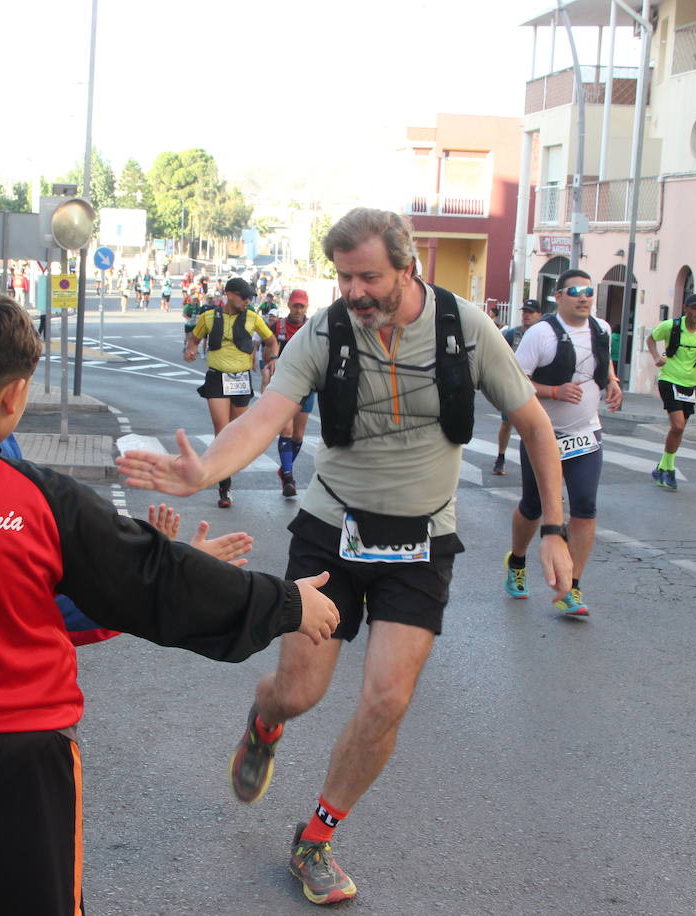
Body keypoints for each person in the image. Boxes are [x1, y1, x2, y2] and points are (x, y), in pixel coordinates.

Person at [0, 289, 339, 913]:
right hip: (28, 761)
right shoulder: (43, 499)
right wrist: (285, 603)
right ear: (15, 394)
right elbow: (152, 581)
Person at [119, 208, 570, 905]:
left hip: (422, 543)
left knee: (387, 700)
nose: (354, 291)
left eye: (369, 277)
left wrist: (556, 530)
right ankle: (265, 723)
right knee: (299, 692)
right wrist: (205, 470)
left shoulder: (463, 329)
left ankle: (318, 838)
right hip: (332, 532)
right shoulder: (324, 332)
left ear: (407, 264)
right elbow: (266, 415)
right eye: (343, 276)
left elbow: (536, 426)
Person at [504, 271, 623, 617]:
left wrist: (612, 381)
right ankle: (517, 561)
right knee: (533, 506)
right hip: (544, 435)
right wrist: (553, 391)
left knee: (585, 508)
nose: (584, 297)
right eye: (576, 291)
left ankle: (573, 587)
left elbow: (603, 358)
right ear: (559, 296)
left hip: (586, 433)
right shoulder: (541, 334)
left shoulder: (602, 328)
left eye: (589, 291)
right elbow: (515, 382)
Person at [184, 277, 276, 509]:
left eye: (250, 297)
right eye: (244, 296)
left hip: (241, 379)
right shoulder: (208, 317)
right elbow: (194, 339)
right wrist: (191, 349)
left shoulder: (253, 317)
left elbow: (272, 341)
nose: (248, 301)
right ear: (230, 294)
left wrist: (272, 358)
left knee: (235, 434)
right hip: (217, 377)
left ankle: (225, 473)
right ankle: (224, 487)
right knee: (222, 431)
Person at [645, 293, 696, 489]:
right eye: (694, 308)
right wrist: (656, 357)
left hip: (692, 383)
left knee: (678, 429)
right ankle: (669, 470)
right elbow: (650, 339)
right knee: (678, 425)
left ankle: (662, 467)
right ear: (685, 308)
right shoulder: (671, 326)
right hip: (670, 379)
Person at [264, 288, 313, 497]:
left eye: (302, 306)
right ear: (289, 305)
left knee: (298, 435)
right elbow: (267, 351)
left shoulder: (314, 327)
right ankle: (288, 477)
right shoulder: (278, 326)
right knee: (286, 430)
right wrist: (268, 367)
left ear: (306, 307)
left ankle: (285, 468)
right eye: (295, 305)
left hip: (308, 384)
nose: (298, 309)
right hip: (284, 386)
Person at [493, 299, 542, 475]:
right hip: (514, 386)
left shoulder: (542, 335)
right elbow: (499, 354)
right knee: (507, 423)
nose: (526, 315)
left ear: (539, 315)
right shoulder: (512, 334)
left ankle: (536, 465)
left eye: (530, 312)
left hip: (537, 388)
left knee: (534, 427)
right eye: (524, 312)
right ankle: (501, 457)